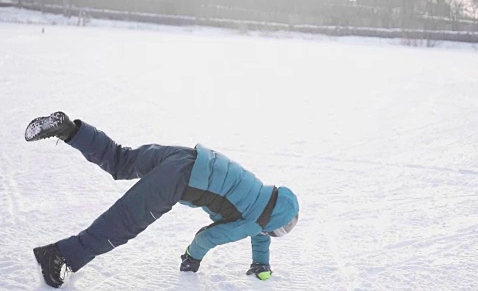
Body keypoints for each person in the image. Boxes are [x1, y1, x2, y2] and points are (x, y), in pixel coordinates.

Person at [26, 111, 299, 288]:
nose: (276, 233)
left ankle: (70, 129)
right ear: (273, 221)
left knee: (122, 160)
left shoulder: (262, 198)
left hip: (184, 156)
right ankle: (59, 256)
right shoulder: (255, 221)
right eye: (282, 229)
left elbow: (260, 230)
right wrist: (192, 257)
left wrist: (261, 262)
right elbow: (209, 237)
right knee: (124, 222)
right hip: (181, 179)